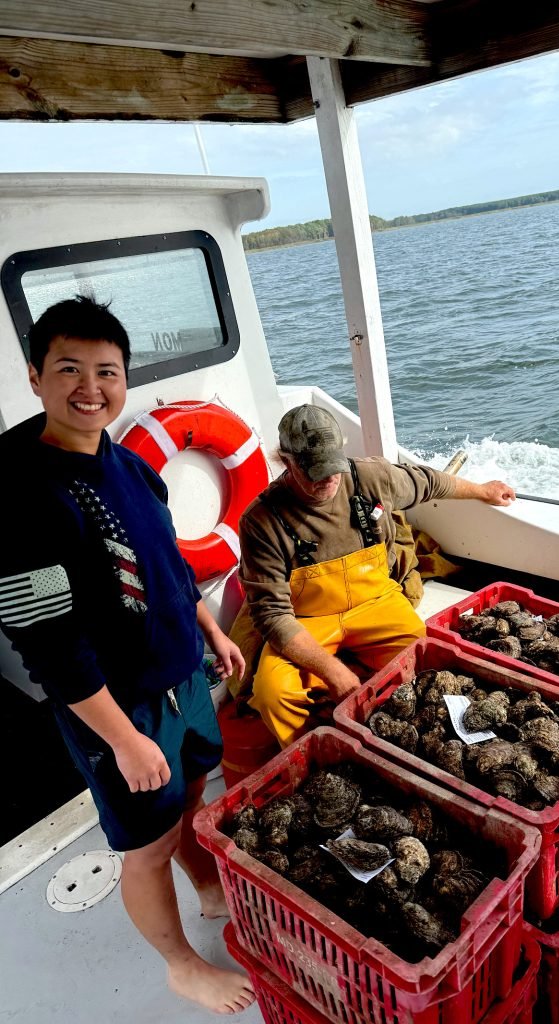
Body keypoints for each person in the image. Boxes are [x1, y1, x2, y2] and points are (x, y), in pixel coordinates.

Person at [0, 296, 255, 1015]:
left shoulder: (129, 467)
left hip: (183, 679)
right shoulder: (23, 496)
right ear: (35, 377)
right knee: (145, 846)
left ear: (124, 377)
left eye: (106, 371)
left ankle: (205, 884)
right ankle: (179, 964)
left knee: (193, 800)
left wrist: (209, 628)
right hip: (119, 709)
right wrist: (125, 740)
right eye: (69, 369)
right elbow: (47, 646)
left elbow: (165, 563)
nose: (90, 387)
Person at [239, 404, 516, 747]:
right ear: (286, 461)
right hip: (306, 620)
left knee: (426, 662)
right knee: (272, 694)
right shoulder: (260, 521)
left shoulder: (370, 477)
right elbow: (273, 616)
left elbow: (429, 483)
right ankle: (318, 754)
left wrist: (482, 491)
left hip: (375, 602)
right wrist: (332, 670)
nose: (328, 478)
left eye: (333, 467)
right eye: (314, 470)